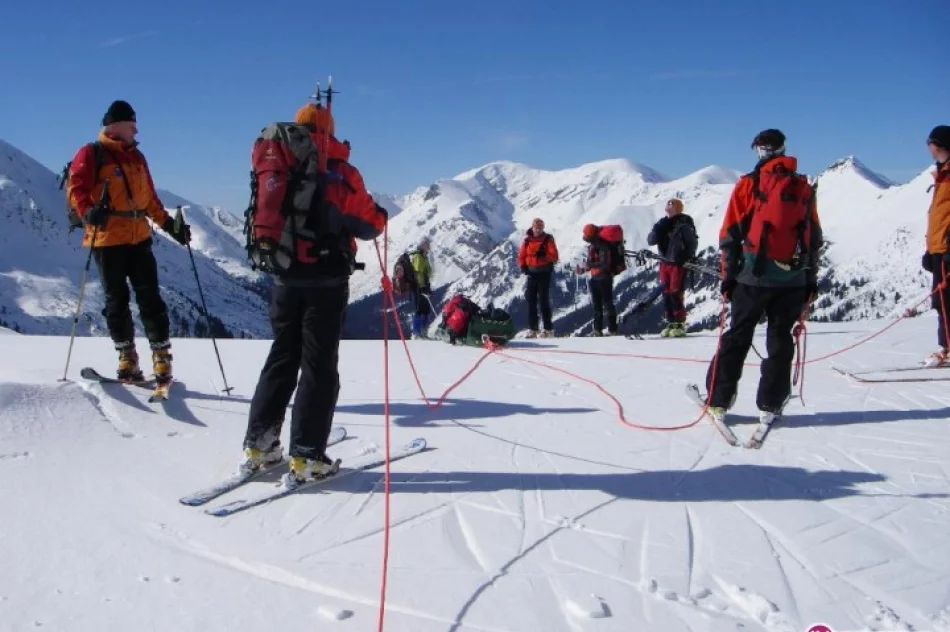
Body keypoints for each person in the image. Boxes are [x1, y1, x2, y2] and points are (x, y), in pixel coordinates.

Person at [240, 101, 388, 485]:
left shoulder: (280, 164)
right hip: (325, 281)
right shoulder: (339, 170)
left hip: (283, 276)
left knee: (281, 358)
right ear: (329, 130)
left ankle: (260, 445)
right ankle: (307, 455)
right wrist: (381, 214)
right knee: (318, 367)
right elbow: (369, 224)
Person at [66, 100, 192, 383]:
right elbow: (76, 188)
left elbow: (149, 199)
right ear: (116, 125)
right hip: (107, 238)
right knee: (116, 301)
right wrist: (88, 212)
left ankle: (161, 358)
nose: (136, 131)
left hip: (138, 237)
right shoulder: (92, 153)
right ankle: (127, 358)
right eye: (132, 125)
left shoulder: (137, 157)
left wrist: (169, 226)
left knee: (150, 298)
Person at [704, 129, 822, 426]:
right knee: (780, 339)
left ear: (759, 150)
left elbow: (730, 233)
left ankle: (718, 399)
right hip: (793, 279)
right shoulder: (803, 187)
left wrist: (728, 276)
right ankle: (771, 403)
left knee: (737, 337)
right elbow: (813, 238)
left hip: (752, 277)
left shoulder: (749, 184)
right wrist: (810, 279)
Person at [647, 198, 698, 337]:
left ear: (678, 208)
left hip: (677, 264)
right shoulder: (663, 224)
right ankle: (671, 322)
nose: (669, 208)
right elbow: (651, 241)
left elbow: (692, 244)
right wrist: (658, 229)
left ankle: (679, 323)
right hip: (665, 262)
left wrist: (684, 257)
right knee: (666, 293)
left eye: (672, 205)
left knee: (676, 292)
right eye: (668, 205)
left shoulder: (684, 224)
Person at [922, 125, 950, 367]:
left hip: (947, 249)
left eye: (930, 143)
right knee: (942, 302)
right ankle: (946, 347)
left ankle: (947, 348)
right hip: (940, 249)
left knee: (947, 302)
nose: (928, 148)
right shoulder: (942, 174)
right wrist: (930, 250)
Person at [517, 217, 560, 337]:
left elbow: (555, 256)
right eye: (536, 228)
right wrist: (523, 266)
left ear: (543, 228)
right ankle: (533, 329)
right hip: (531, 274)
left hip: (544, 274)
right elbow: (521, 255)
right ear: (532, 227)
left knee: (543, 301)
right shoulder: (527, 241)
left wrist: (544, 256)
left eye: (540, 228)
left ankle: (548, 329)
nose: (538, 230)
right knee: (531, 301)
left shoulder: (548, 239)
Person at [576, 224, 618, 336]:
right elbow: (594, 263)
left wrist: (588, 265)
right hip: (597, 278)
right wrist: (583, 269)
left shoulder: (603, 247)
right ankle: (601, 330)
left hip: (604, 278)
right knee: (599, 305)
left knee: (605, 304)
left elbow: (604, 263)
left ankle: (609, 329)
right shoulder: (593, 247)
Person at [410, 238, 434, 339]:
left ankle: (424, 332)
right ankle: (416, 333)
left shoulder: (424, 257)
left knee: (426, 309)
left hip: (424, 286)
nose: (429, 245)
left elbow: (426, 273)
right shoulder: (418, 257)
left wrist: (427, 287)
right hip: (418, 287)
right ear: (422, 245)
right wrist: (422, 287)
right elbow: (418, 273)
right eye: (427, 244)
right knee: (419, 309)